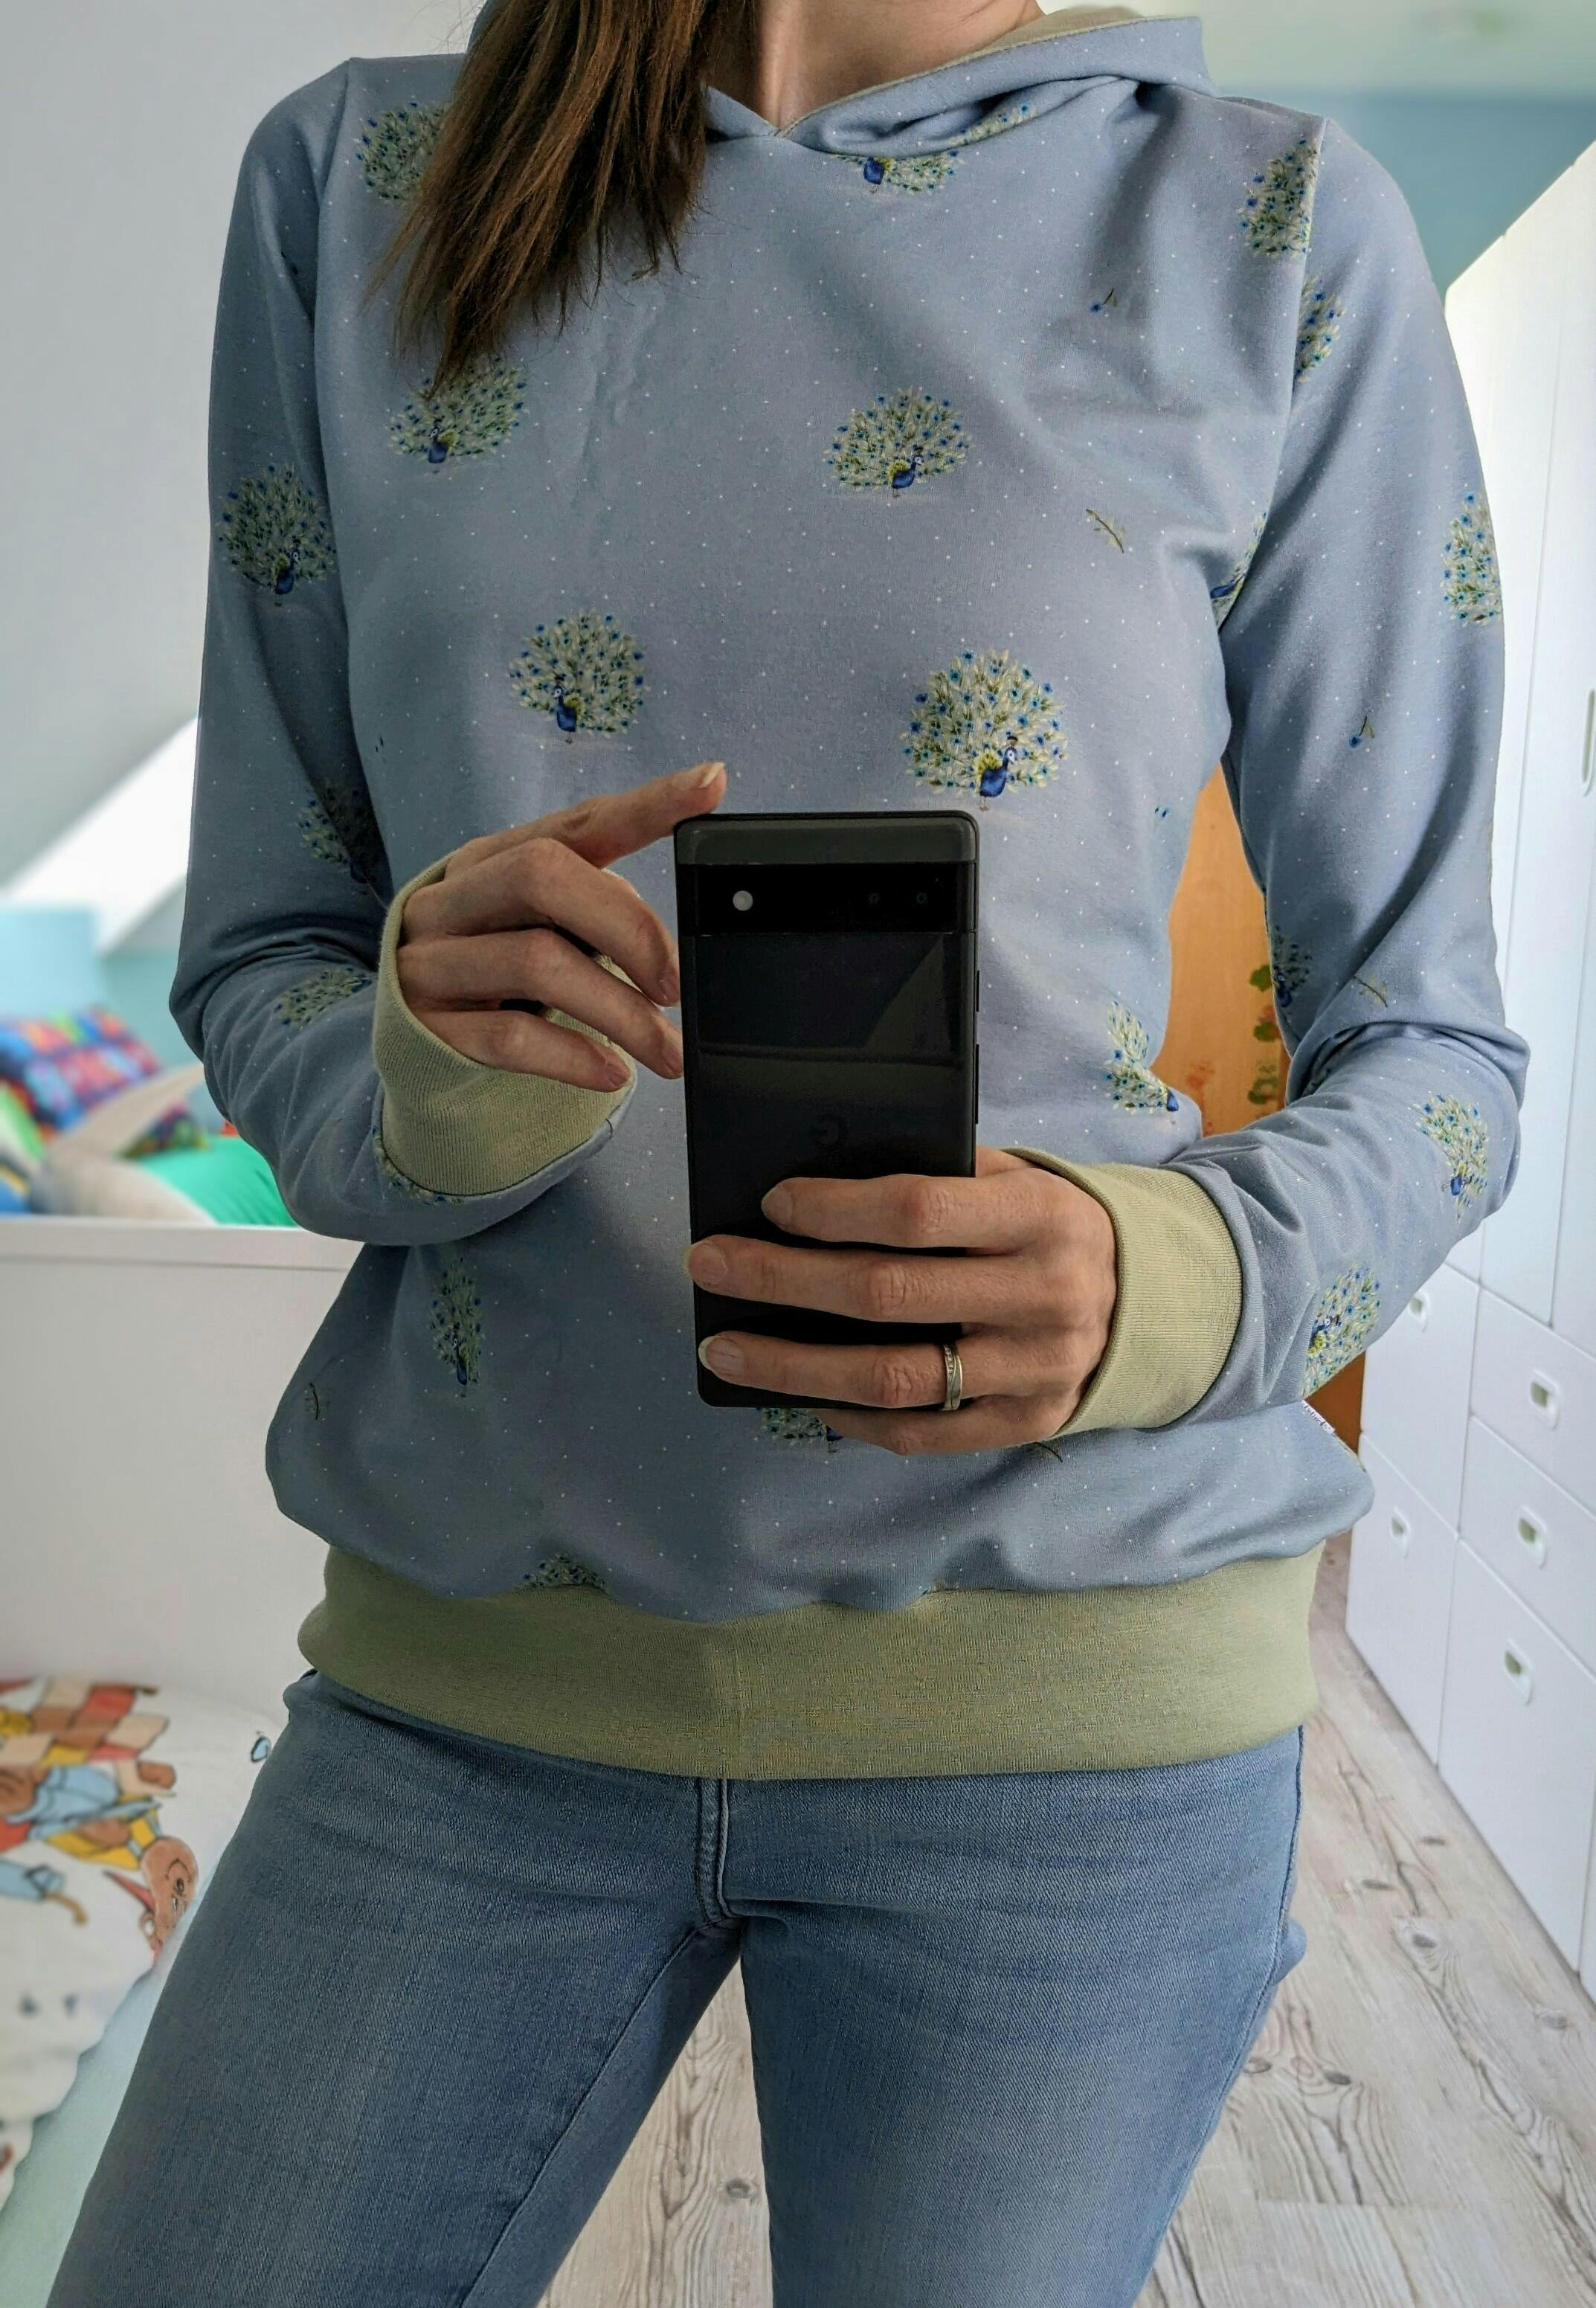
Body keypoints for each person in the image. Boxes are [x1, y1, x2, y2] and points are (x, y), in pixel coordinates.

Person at [49, 1, 1528, 2301]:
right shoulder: (353, 189)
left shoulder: (1266, 224)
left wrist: (1164, 1282)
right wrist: (430, 1063)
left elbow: (1437, 1053)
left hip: (1072, 1719)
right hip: (468, 1692)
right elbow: (260, 956)